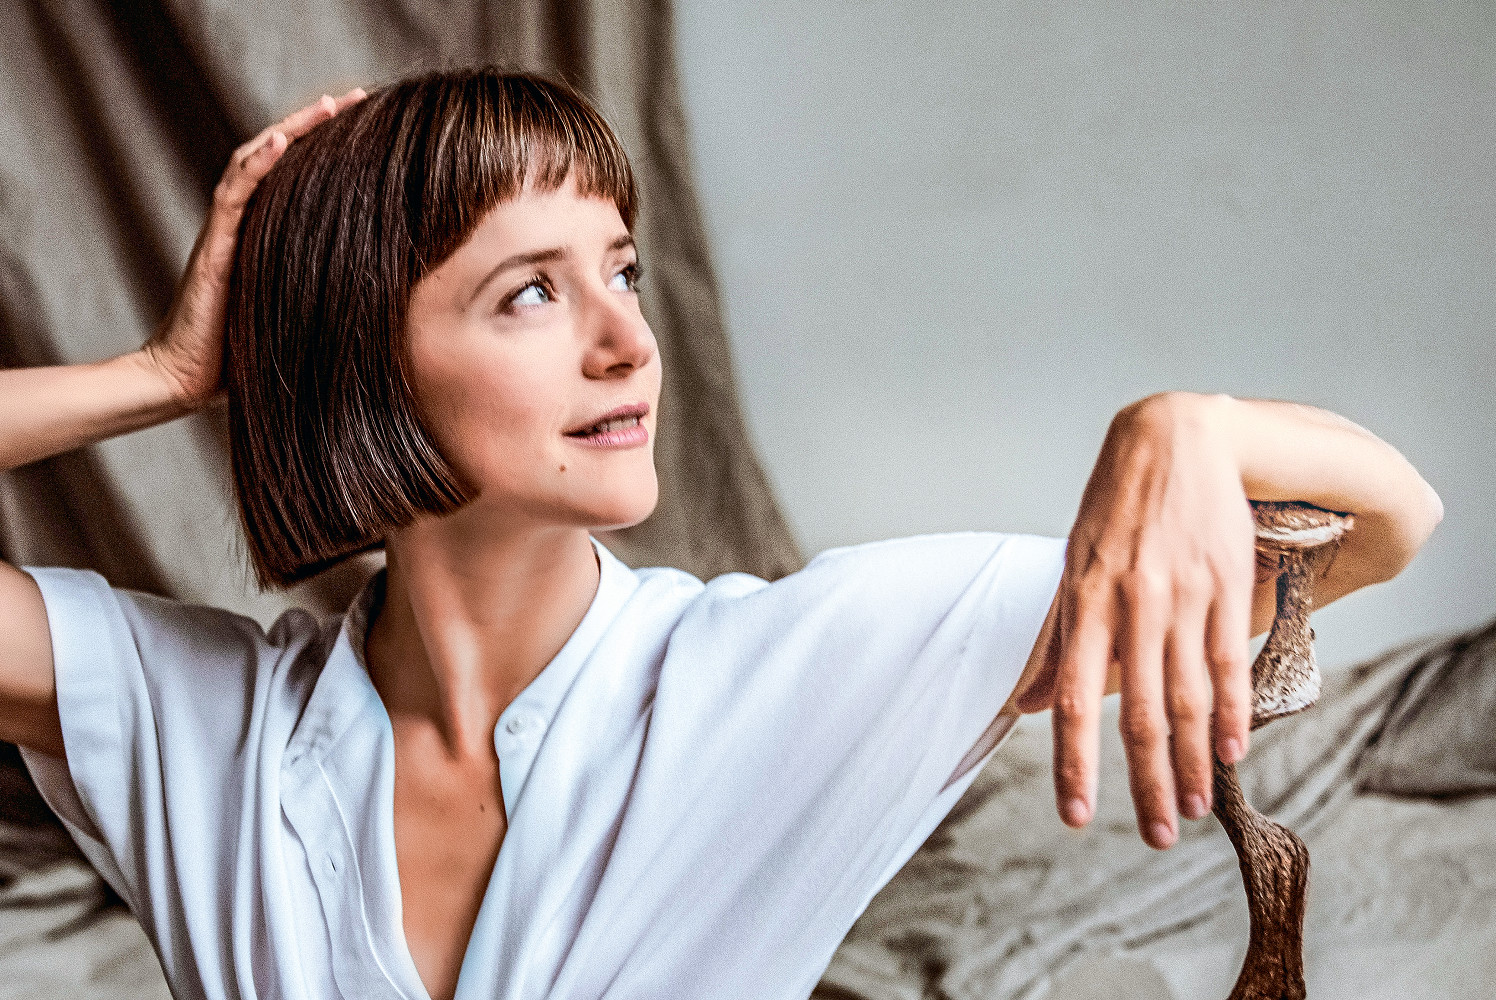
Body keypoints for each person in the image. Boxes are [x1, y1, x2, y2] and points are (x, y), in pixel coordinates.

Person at [0, 66, 1442, 1000]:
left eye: (623, 269)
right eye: (532, 292)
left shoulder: (798, 668)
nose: (630, 340)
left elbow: (1386, 524)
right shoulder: (201, 725)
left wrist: (1191, 429)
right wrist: (162, 373)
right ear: (361, 361)